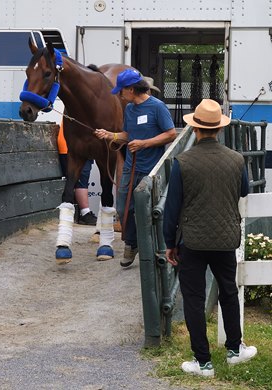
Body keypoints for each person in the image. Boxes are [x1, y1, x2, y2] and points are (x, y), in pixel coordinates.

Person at [163, 99, 257, 377]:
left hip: (191, 240)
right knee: (229, 292)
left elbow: (172, 208)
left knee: (193, 298)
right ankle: (235, 349)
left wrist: (170, 243)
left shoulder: (183, 162)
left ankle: (202, 362)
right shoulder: (236, 159)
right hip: (226, 238)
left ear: (195, 129)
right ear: (219, 129)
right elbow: (243, 191)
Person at [95, 68, 177, 267]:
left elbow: (171, 134)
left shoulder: (158, 107)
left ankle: (138, 246)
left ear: (131, 90)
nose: (120, 95)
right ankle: (134, 244)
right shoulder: (130, 109)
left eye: (121, 91)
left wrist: (144, 143)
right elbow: (128, 135)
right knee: (123, 209)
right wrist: (110, 135)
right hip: (131, 169)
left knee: (149, 211)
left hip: (151, 172)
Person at [57, 121, 97, 226]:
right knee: (80, 180)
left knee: (83, 179)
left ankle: (83, 212)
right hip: (72, 148)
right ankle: (84, 213)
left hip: (82, 147)